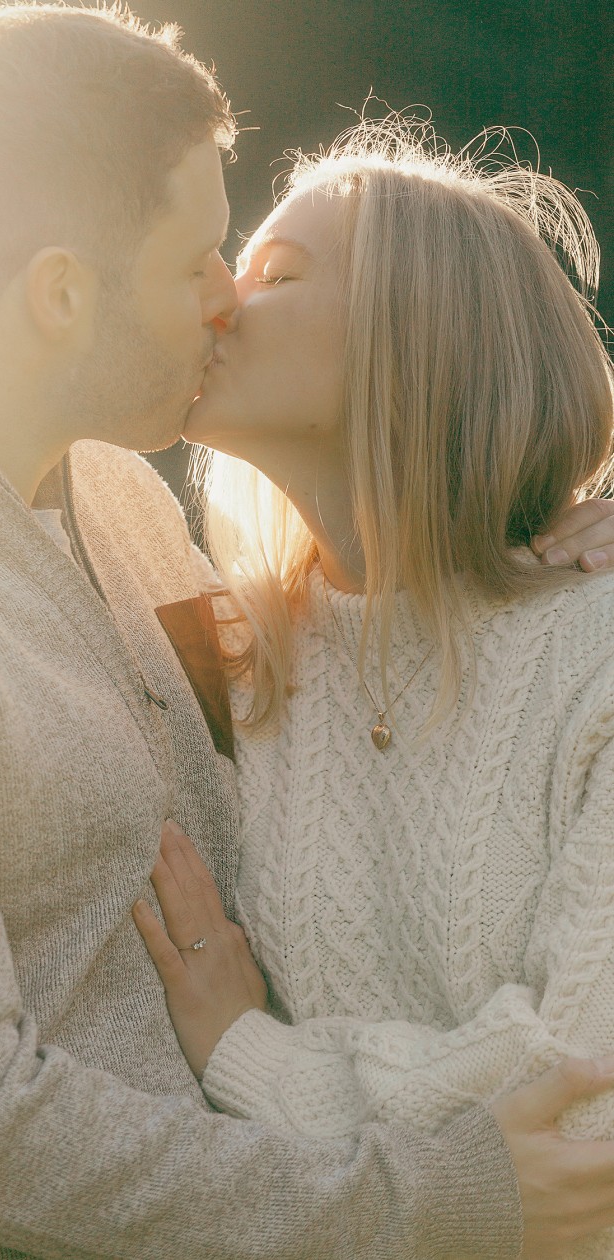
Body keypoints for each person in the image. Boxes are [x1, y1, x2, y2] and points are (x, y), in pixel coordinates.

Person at [0, 7, 614, 1255]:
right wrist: (432, 1197)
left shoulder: (109, 496)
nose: (223, 301)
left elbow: (383, 613)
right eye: (202, 260)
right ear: (61, 293)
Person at [131, 116, 614, 1258]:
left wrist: (250, 1055)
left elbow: (583, 1105)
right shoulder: (229, 662)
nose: (219, 301)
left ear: (421, 337)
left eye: (278, 274)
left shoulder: (594, 655)